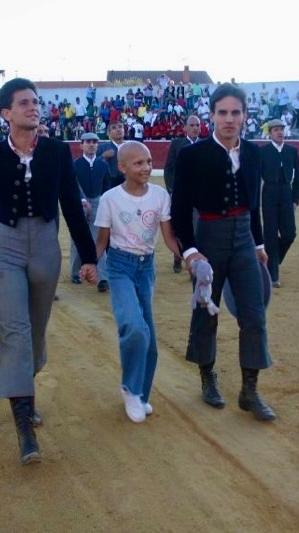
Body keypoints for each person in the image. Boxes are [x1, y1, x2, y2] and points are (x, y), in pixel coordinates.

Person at [0, 78, 98, 466]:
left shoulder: (56, 151)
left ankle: (25, 390)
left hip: (46, 249)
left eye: (36, 102)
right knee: (16, 332)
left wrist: (88, 256)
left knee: (34, 334)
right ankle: (24, 425)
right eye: (24, 103)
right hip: (7, 246)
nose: (33, 108)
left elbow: (71, 203)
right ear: (5, 113)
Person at [171, 83, 276, 422]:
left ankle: (250, 390)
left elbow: (254, 204)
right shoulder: (192, 155)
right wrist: (190, 253)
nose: (229, 119)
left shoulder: (255, 153)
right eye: (223, 113)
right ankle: (208, 377)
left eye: (236, 113)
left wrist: (259, 245)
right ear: (212, 115)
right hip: (209, 239)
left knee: (254, 314)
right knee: (206, 311)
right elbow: (181, 208)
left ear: (245, 116)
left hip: (244, 238)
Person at [94, 142, 182, 423]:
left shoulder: (159, 195)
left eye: (148, 161)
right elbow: (102, 241)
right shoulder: (110, 198)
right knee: (134, 326)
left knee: (150, 337)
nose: (146, 167)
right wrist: (89, 263)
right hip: (119, 267)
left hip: (146, 269)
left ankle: (141, 394)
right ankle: (130, 389)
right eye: (138, 163)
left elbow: (169, 238)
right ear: (122, 168)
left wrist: (191, 257)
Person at [260, 119, 299, 289]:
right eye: (276, 130)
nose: (279, 132)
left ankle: (273, 260)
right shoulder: (263, 152)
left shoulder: (292, 151)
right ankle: (273, 274)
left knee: (289, 234)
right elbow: (256, 178)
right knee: (270, 236)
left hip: (286, 194)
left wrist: (295, 199)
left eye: (281, 129)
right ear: (269, 133)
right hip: (268, 194)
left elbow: (297, 178)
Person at [70, 132, 111, 291]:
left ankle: (103, 277)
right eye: (87, 142)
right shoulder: (75, 164)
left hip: (98, 202)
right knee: (77, 238)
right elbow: (71, 186)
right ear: (81, 145)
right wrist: (81, 200)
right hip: (78, 203)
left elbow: (106, 187)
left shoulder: (103, 165)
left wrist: (103, 202)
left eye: (94, 142)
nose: (91, 144)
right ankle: (75, 272)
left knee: (98, 238)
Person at [163, 114, 201, 273]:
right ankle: (178, 257)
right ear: (185, 128)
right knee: (180, 226)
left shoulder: (205, 145)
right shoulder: (177, 144)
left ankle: (195, 262)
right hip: (181, 194)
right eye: (191, 125)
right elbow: (169, 168)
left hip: (200, 196)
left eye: (197, 125)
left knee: (197, 228)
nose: (195, 128)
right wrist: (172, 190)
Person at [98, 121, 127, 188]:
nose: (118, 129)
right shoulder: (102, 147)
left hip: (128, 180)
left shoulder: (131, 147)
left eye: (120, 127)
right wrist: (103, 156)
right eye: (114, 128)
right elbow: (94, 163)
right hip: (109, 182)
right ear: (108, 133)